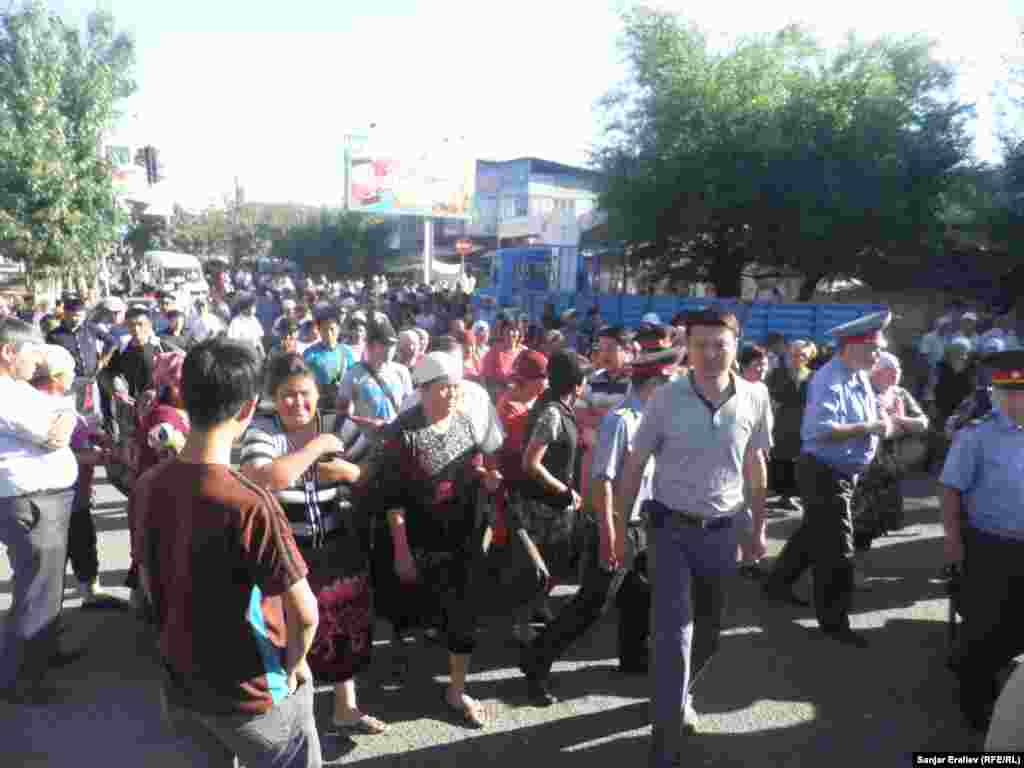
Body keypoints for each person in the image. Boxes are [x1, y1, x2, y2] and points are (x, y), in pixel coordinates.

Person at [134, 337, 322, 766]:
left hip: (181, 684)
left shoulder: (148, 484)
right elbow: (306, 613)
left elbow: (148, 580)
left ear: (184, 396)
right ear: (247, 408)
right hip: (252, 695)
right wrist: (294, 666)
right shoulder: (249, 502)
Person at [614, 308, 772, 768]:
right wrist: (620, 530)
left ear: (735, 346)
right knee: (673, 634)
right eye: (700, 344)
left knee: (709, 633)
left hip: (723, 531)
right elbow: (634, 464)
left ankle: (679, 696)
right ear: (687, 348)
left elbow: (756, 466)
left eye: (720, 344)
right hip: (670, 529)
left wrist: (758, 528)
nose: (710, 353)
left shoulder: (755, 397)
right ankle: (664, 740)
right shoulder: (666, 397)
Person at [521, 329, 677, 705]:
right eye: (669, 383)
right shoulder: (621, 421)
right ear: (654, 384)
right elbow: (602, 482)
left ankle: (633, 656)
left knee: (639, 595)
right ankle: (537, 659)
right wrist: (610, 534)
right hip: (615, 523)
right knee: (591, 605)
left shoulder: (651, 419)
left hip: (641, 523)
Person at [241, 354, 384, 735]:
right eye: (287, 395)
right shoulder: (263, 430)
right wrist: (318, 448)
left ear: (318, 394)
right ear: (273, 398)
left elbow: (373, 470)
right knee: (291, 637)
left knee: (341, 628)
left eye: (305, 393)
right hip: (285, 553)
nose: (297, 403)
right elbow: (262, 477)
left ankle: (345, 709)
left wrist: (351, 471)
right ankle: (291, 720)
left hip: (338, 545)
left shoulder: (339, 425)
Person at [370, 352, 502, 729]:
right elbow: (391, 499)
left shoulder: (463, 421)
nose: (454, 395)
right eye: (445, 388)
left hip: (460, 536)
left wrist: (484, 478)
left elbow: (473, 466)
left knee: (463, 614)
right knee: (409, 609)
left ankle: (456, 691)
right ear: (424, 390)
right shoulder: (402, 434)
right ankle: (396, 667)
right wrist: (401, 550)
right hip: (417, 536)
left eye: (456, 388)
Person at [762, 310, 894, 649]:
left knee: (814, 532)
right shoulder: (829, 379)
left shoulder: (858, 374)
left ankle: (777, 584)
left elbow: (866, 412)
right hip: (824, 471)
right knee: (837, 549)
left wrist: (881, 418)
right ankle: (835, 622)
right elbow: (820, 430)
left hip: (841, 472)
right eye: (874, 348)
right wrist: (870, 427)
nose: (879, 354)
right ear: (853, 346)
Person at [938, 348, 1024, 732]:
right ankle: (976, 705)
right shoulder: (977, 436)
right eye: (1008, 394)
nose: (1016, 402)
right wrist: (953, 542)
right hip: (990, 547)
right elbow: (951, 490)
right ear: (997, 394)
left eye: (1022, 393)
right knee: (985, 631)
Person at [0, 317, 81, 705]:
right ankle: (22, 679)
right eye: (34, 354)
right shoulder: (5, 394)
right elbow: (57, 433)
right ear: (8, 352)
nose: (40, 363)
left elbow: (62, 414)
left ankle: (41, 654)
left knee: (44, 585)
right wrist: (66, 413)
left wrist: (64, 412)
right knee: (36, 590)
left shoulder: (17, 389)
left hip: (43, 498)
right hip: (32, 500)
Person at [31, 344, 118, 606]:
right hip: (58, 496)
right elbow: (55, 452)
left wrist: (95, 435)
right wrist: (98, 457)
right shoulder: (42, 405)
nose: (74, 375)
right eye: (69, 372)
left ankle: (90, 591)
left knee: (83, 542)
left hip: (76, 493)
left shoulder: (61, 400)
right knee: (56, 552)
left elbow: (79, 431)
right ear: (56, 377)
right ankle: (47, 611)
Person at [849, 351, 929, 585]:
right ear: (876, 372)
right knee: (857, 521)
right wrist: (896, 426)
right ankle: (847, 569)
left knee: (874, 523)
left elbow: (922, 423)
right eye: (890, 371)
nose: (896, 375)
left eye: (898, 371)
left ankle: (854, 567)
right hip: (863, 467)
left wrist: (900, 422)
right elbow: (879, 429)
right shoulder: (863, 392)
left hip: (889, 469)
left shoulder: (900, 393)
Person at [336, 317, 411, 437]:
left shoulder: (402, 372)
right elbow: (342, 416)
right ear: (369, 345)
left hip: (397, 439)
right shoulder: (353, 375)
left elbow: (409, 407)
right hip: (366, 441)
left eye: (393, 344)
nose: (389, 349)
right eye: (384, 344)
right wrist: (369, 423)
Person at [45, 296, 116, 419]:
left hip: (90, 380)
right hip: (69, 383)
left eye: (79, 315)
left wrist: (104, 360)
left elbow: (112, 342)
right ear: (65, 314)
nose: (76, 319)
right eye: (72, 315)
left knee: (92, 416)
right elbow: (49, 359)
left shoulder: (90, 328)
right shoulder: (54, 335)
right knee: (71, 415)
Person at [765, 340, 816, 512]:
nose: (797, 358)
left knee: (800, 457)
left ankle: (793, 494)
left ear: (808, 357)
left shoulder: (813, 376)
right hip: (782, 418)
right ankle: (782, 494)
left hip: (804, 419)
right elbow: (769, 395)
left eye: (802, 355)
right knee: (781, 455)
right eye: (794, 354)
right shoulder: (777, 373)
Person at [303, 309, 355, 408]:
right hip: (319, 405)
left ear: (339, 329)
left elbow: (354, 378)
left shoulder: (346, 352)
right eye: (324, 329)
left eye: (332, 329)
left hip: (342, 404)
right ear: (319, 331)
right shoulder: (310, 354)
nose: (328, 334)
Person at [480, 314, 527, 401]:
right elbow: (487, 379)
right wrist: (504, 388)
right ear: (502, 332)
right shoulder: (494, 351)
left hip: (521, 396)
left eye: (514, 330)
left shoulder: (525, 351)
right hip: (499, 397)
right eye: (508, 330)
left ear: (520, 333)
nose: (510, 333)